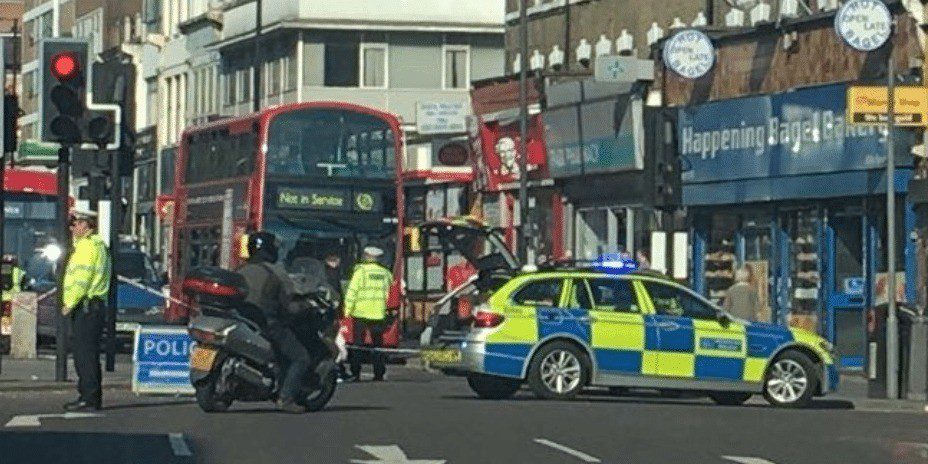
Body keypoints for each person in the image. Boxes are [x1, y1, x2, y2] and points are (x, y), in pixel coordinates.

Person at [237, 232, 311, 413]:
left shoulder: (240, 270)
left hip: (241, 321)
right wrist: (305, 307)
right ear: (271, 250)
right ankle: (286, 398)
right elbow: (289, 303)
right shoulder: (276, 272)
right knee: (301, 358)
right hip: (267, 324)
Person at [62, 210, 112, 412]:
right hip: (94, 307)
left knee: (84, 355)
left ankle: (88, 398)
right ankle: (91, 396)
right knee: (89, 354)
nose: (72, 228)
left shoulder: (86, 247)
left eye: (76, 223)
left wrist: (69, 303)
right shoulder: (98, 246)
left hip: (85, 306)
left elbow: (82, 279)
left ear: (86, 225)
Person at [344, 246, 392, 381]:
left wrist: (347, 311)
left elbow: (352, 292)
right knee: (378, 346)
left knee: (358, 345)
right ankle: (379, 373)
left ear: (366, 257)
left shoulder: (360, 272)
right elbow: (389, 292)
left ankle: (355, 373)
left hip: (360, 313)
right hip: (378, 313)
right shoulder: (385, 273)